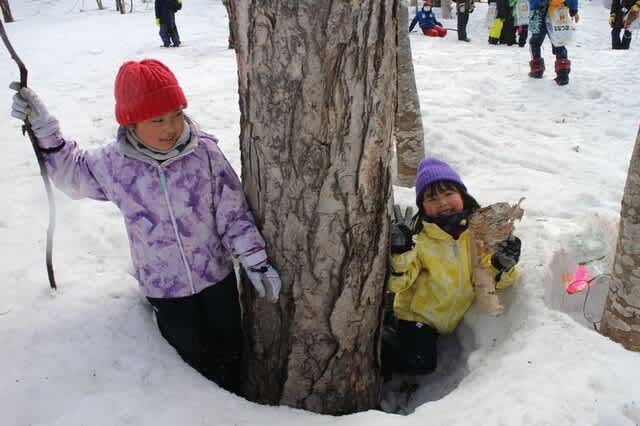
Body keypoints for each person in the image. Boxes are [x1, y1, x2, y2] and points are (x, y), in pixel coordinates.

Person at [9, 59, 282, 394]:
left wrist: (254, 259)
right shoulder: (115, 165)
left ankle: (235, 402)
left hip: (216, 278)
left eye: (177, 114)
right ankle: (203, 406)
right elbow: (72, 174)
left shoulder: (205, 155)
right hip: (164, 290)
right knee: (191, 358)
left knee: (231, 346)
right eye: (157, 119)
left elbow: (233, 212)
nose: (171, 127)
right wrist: (43, 129)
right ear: (131, 122)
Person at [381, 157, 520, 380]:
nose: (443, 202)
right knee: (420, 362)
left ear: (462, 196)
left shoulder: (476, 237)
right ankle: (382, 337)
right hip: (417, 316)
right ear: (423, 207)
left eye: (448, 193)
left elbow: (489, 278)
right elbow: (398, 283)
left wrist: (502, 264)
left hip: (445, 319)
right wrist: (402, 251)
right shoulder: (421, 242)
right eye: (432, 198)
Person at [528, 0, 579, 86]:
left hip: (538, 12)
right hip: (557, 10)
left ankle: (537, 69)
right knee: (558, 40)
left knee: (535, 42)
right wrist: (573, 8)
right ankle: (563, 72)